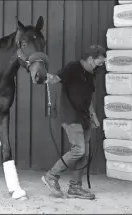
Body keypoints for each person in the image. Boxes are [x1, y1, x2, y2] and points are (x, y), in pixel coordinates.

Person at [41, 45, 107, 200]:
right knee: (79, 150)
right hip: (71, 116)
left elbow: (87, 98)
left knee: (84, 154)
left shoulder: (91, 74)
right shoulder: (73, 68)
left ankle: (75, 187)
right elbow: (56, 78)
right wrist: (46, 76)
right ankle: (51, 175)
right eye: (100, 62)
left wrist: (93, 116)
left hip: (84, 118)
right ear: (90, 59)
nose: (101, 65)